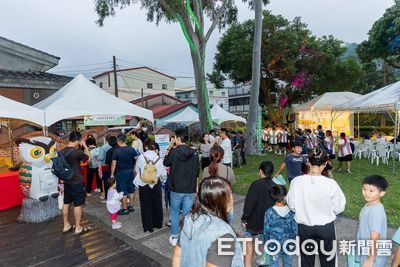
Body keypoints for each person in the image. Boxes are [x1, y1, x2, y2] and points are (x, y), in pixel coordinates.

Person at [287, 148, 346, 267]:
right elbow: (339, 207)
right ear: (325, 164)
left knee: (306, 260)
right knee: (328, 260)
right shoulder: (330, 184)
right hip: (326, 228)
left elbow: (292, 205)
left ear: (308, 161)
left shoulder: (297, 182)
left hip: (304, 227)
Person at [172, 177, 244, 267]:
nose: (232, 198)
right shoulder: (223, 234)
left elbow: (178, 256)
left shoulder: (189, 219)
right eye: (229, 195)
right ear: (219, 200)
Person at [163, 133, 200, 246]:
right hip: (190, 188)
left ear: (178, 139)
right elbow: (197, 171)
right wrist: (196, 186)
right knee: (187, 214)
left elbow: (165, 163)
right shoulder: (194, 153)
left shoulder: (174, 152)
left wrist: (170, 146)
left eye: (175, 138)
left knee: (174, 213)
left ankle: (174, 237)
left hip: (176, 188)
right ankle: (186, 236)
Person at [241, 161, 276, 267]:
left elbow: (249, 203)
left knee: (248, 246)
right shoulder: (274, 186)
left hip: (253, 222)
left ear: (260, 171)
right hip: (267, 223)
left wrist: (244, 218)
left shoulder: (256, 184)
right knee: (268, 248)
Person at [61, 131, 91, 235]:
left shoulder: (62, 151)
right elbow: (88, 160)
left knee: (66, 203)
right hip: (77, 181)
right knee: (78, 204)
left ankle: (66, 225)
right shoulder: (77, 152)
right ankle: (78, 228)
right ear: (78, 140)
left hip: (67, 181)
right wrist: (85, 147)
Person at [134, 141, 166, 233]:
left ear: (147, 147)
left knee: (145, 205)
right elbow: (163, 174)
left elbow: (137, 169)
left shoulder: (141, 156)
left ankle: (148, 227)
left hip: (143, 183)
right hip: (155, 183)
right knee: (157, 203)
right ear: (155, 149)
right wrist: (163, 180)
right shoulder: (159, 159)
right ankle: (157, 224)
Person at [356, 175, 388, 267]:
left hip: (372, 256)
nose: (366, 193)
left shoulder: (376, 212)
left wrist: (370, 259)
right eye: (364, 189)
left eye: (371, 191)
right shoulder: (369, 204)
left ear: (381, 193)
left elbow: (375, 237)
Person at [264, 185, 296, 267]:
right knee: (288, 263)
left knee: (273, 264)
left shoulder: (269, 212)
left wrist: (266, 242)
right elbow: (294, 230)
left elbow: (266, 230)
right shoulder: (291, 212)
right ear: (285, 196)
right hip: (288, 244)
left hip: (273, 244)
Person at [110, 134, 140, 215]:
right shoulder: (131, 149)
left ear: (118, 141)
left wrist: (112, 174)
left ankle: (125, 209)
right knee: (131, 189)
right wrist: (134, 167)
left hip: (120, 173)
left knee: (122, 191)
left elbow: (113, 163)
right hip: (130, 171)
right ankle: (132, 207)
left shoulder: (116, 151)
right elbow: (137, 159)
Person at [98, 135, 112, 201]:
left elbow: (101, 158)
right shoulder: (115, 146)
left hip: (105, 166)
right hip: (113, 166)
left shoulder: (103, 147)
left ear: (106, 139)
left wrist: (97, 158)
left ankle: (107, 197)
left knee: (106, 182)